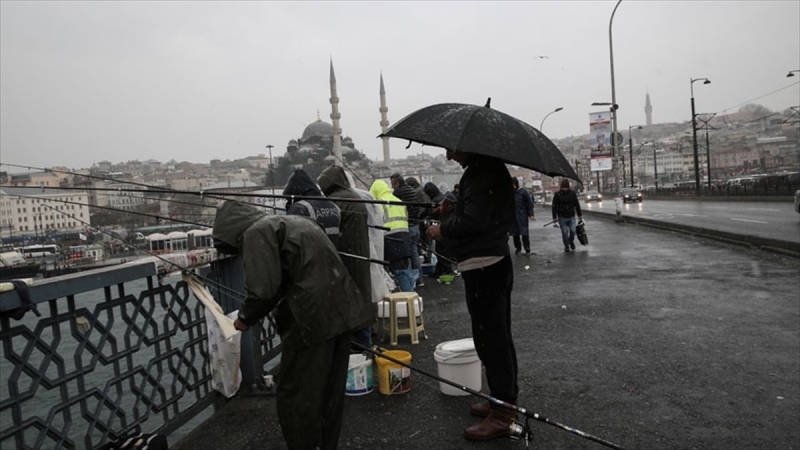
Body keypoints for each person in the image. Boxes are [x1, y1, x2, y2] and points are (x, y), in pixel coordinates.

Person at [213, 201, 372, 450]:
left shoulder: (255, 232)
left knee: (297, 393)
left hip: (311, 320)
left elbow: (263, 290)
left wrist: (244, 318)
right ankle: (326, 444)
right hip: (343, 311)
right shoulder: (295, 221)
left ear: (232, 231)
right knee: (331, 391)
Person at [426, 149, 518, 441]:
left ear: (468, 145)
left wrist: (443, 228)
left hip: (483, 266)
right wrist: (452, 212)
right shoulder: (488, 169)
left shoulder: (481, 174)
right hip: (492, 262)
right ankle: (502, 402)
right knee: (497, 338)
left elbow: (474, 223)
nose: (449, 155)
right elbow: (479, 215)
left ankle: (503, 414)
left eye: (452, 149)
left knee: (492, 342)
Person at [317, 165, 375, 348]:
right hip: (361, 255)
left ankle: (355, 347)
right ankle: (366, 344)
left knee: (348, 302)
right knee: (361, 298)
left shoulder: (336, 201)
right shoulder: (355, 197)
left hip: (346, 259)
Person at [370, 179, 415, 292]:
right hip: (404, 237)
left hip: (389, 239)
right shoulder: (398, 200)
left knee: (393, 272)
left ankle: (405, 297)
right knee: (404, 270)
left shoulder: (378, 203)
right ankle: (410, 295)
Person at [282, 169, 341, 247]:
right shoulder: (334, 206)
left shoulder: (300, 208)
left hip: (311, 257)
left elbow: (290, 241)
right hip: (332, 255)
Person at [390, 173, 423, 287]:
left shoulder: (398, 193)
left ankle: (410, 282)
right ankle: (419, 280)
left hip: (408, 227)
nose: (392, 187)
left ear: (397, 183)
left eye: (393, 184)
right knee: (414, 254)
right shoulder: (411, 189)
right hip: (416, 226)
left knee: (407, 255)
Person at [551, 178, 583, 252]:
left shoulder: (572, 194)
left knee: (573, 231)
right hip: (562, 217)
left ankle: (570, 241)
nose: (564, 189)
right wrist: (554, 217)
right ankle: (566, 246)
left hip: (571, 216)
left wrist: (579, 215)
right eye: (563, 187)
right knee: (564, 232)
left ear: (568, 187)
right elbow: (554, 206)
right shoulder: (557, 195)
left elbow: (577, 204)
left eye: (566, 187)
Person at [510, 177, 535, 255]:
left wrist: (531, 214)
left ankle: (527, 247)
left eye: (513, 185)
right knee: (515, 233)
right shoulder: (510, 193)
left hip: (522, 215)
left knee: (524, 232)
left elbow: (529, 203)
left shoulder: (523, 192)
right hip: (513, 216)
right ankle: (518, 248)